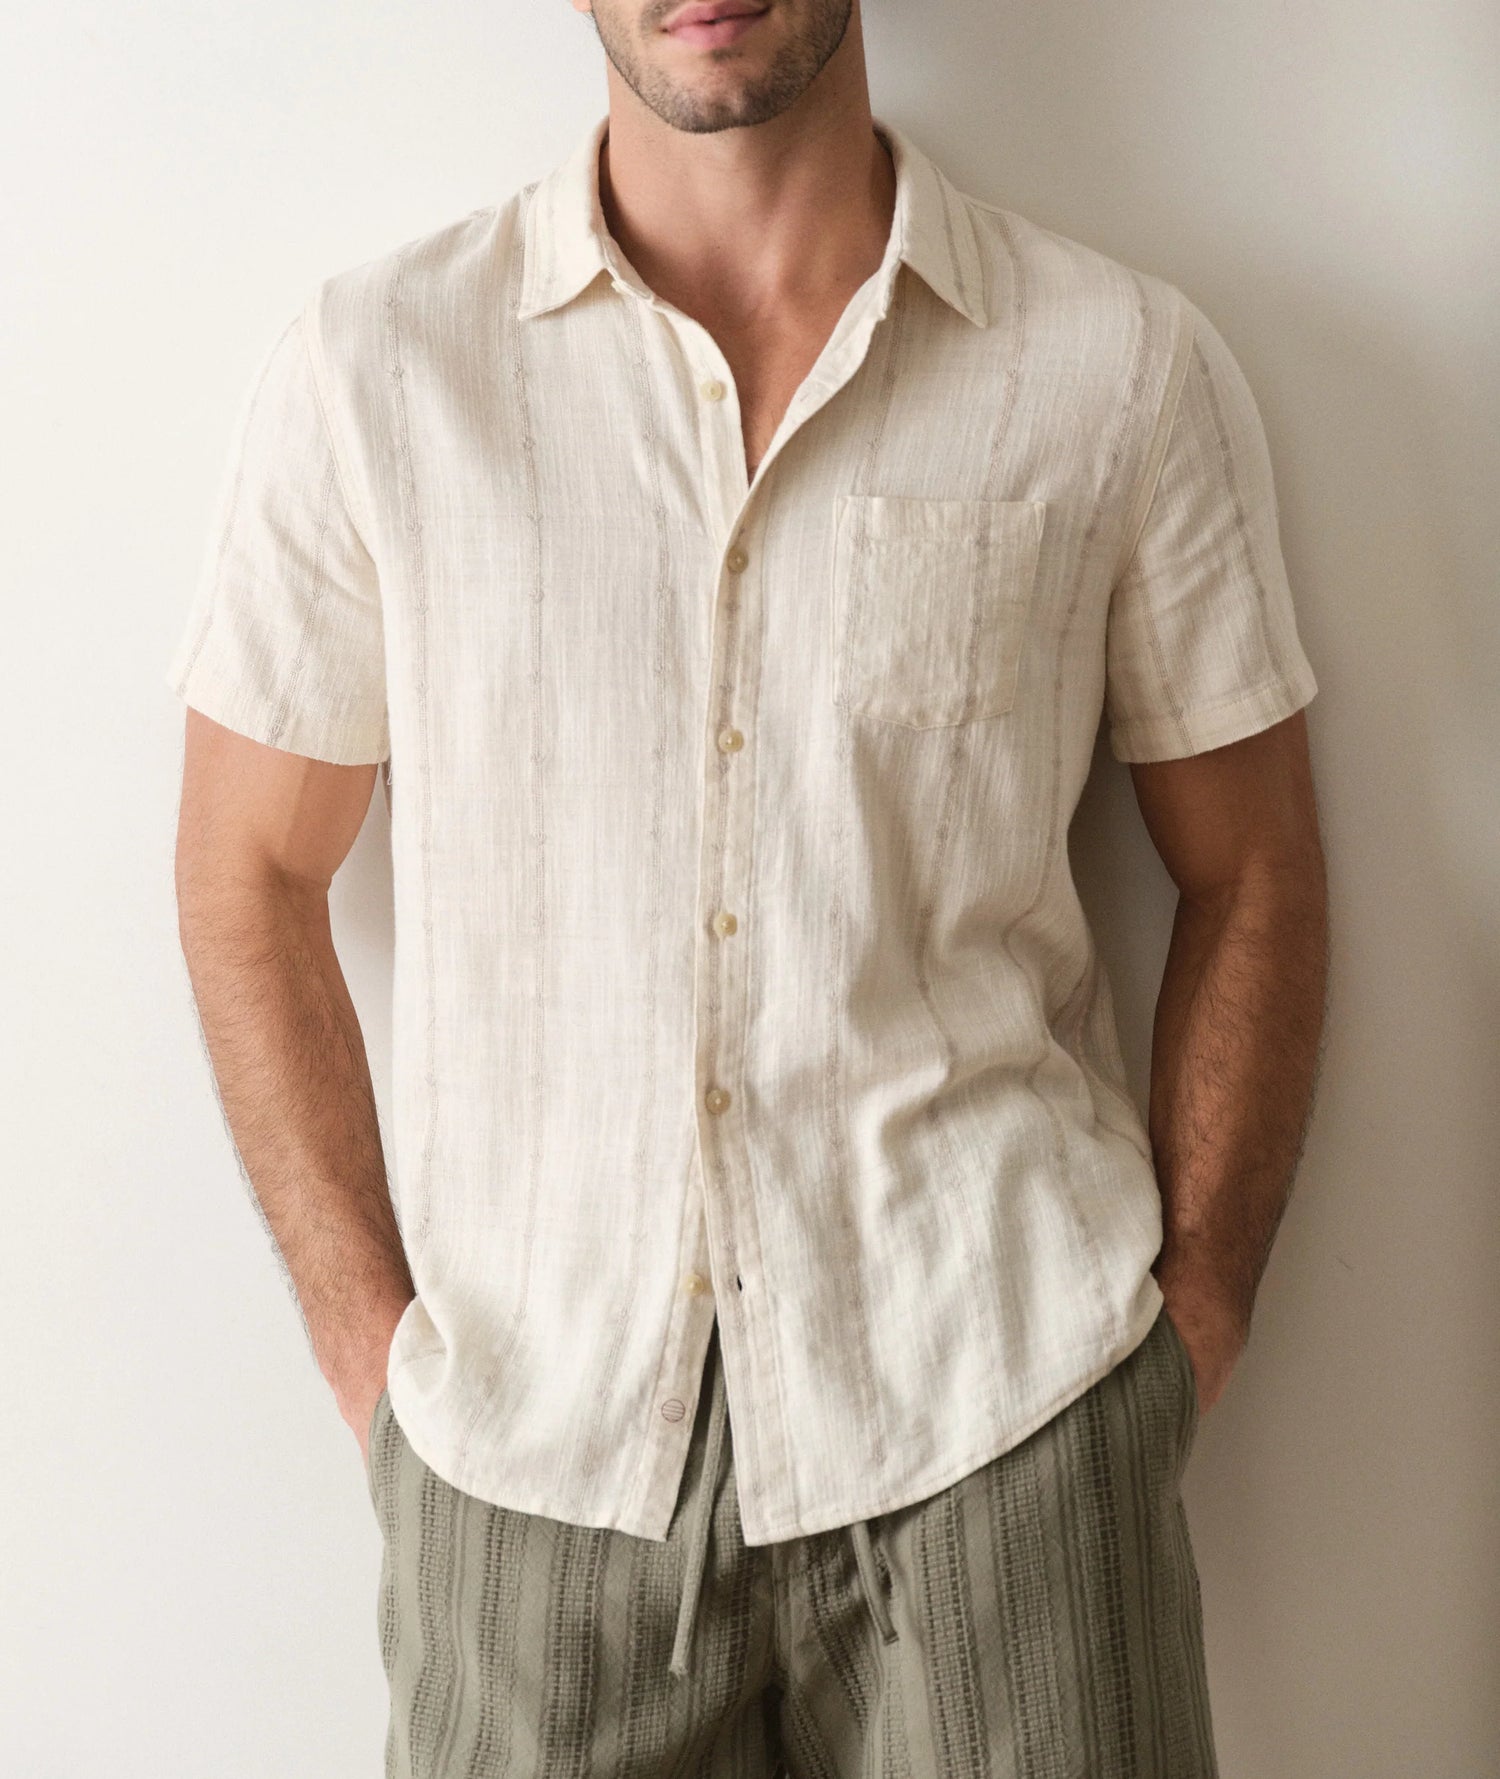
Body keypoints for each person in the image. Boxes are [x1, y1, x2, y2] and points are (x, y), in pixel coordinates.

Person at [166, 0, 1328, 1772]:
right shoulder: (378, 370)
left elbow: (1252, 870)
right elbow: (245, 868)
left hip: (1006, 1433)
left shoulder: (1113, 364)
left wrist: (1194, 1328)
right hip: (532, 1478)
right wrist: (372, 1357)